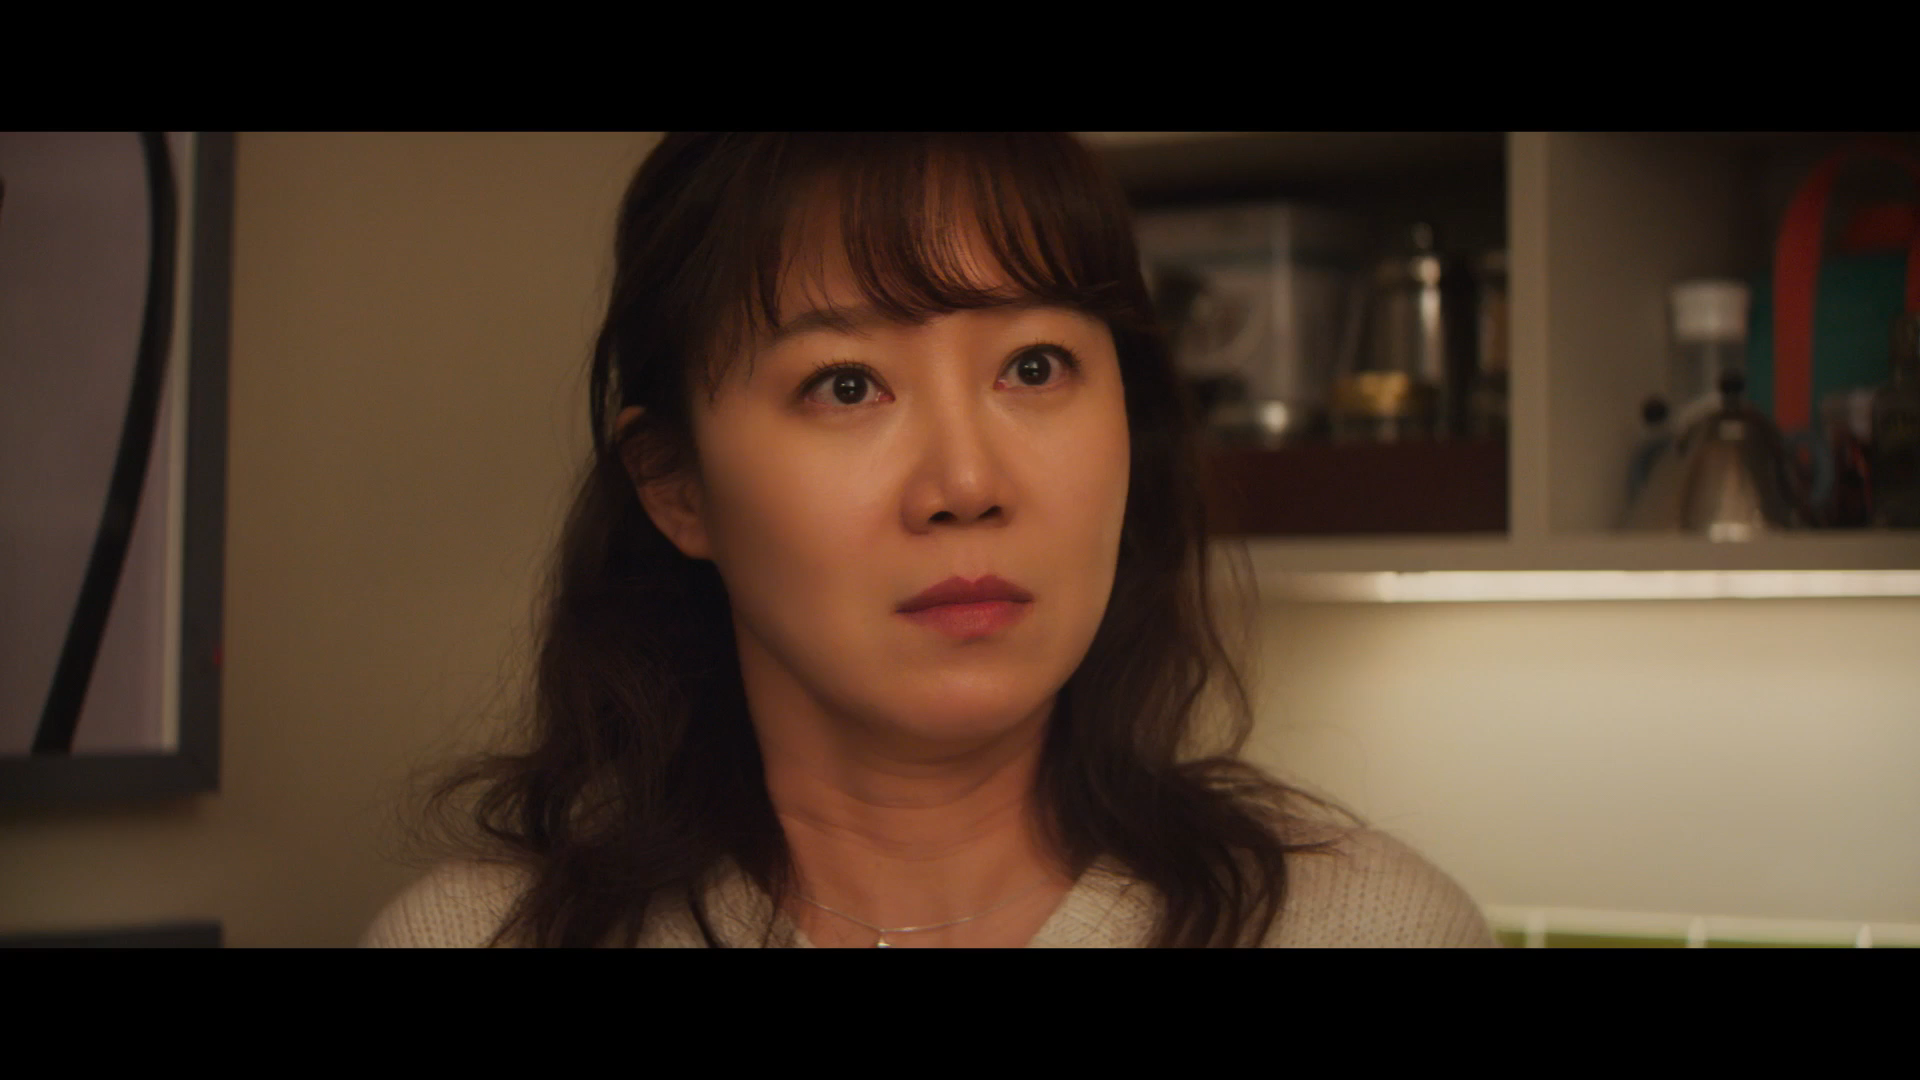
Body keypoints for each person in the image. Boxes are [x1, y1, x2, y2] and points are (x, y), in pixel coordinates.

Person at [362, 133, 1497, 948]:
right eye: (846, 384)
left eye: (1034, 367)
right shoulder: (476, 937)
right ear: (676, 485)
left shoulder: (1367, 926)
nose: (966, 483)